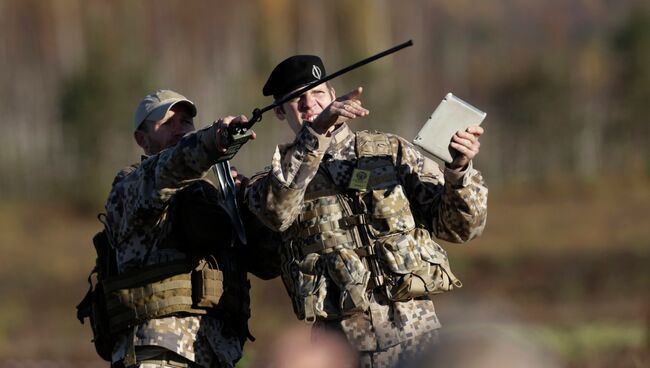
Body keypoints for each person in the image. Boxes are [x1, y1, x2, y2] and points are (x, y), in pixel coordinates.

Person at [245, 55, 488, 367]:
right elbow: (277, 212)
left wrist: (459, 169)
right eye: (296, 99)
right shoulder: (273, 182)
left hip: (415, 338)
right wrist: (315, 135)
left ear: (333, 96)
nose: (309, 104)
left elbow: (459, 228)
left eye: (318, 93)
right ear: (279, 111)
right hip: (338, 350)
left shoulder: (390, 152)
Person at [97, 89, 278, 368]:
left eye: (186, 122)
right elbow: (171, 169)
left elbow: (267, 264)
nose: (179, 129)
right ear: (141, 139)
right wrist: (209, 142)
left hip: (216, 354)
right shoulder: (131, 186)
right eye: (168, 123)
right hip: (157, 352)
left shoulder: (213, 194)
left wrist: (248, 202)